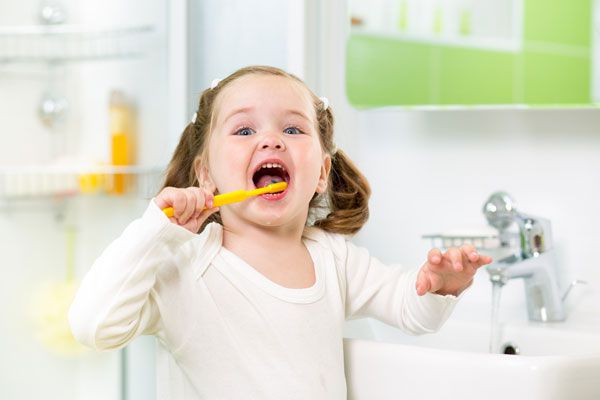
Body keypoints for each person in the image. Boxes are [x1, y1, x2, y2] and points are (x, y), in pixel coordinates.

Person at [69, 65, 492, 399]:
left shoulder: (335, 258)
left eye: (292, 129)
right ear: (206, 175)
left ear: (321, 173)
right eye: (244, 130)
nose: (271, 140)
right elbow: (94, 326)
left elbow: (408, 310)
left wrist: (441, 286)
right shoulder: (187, 267)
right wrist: (155, 232)